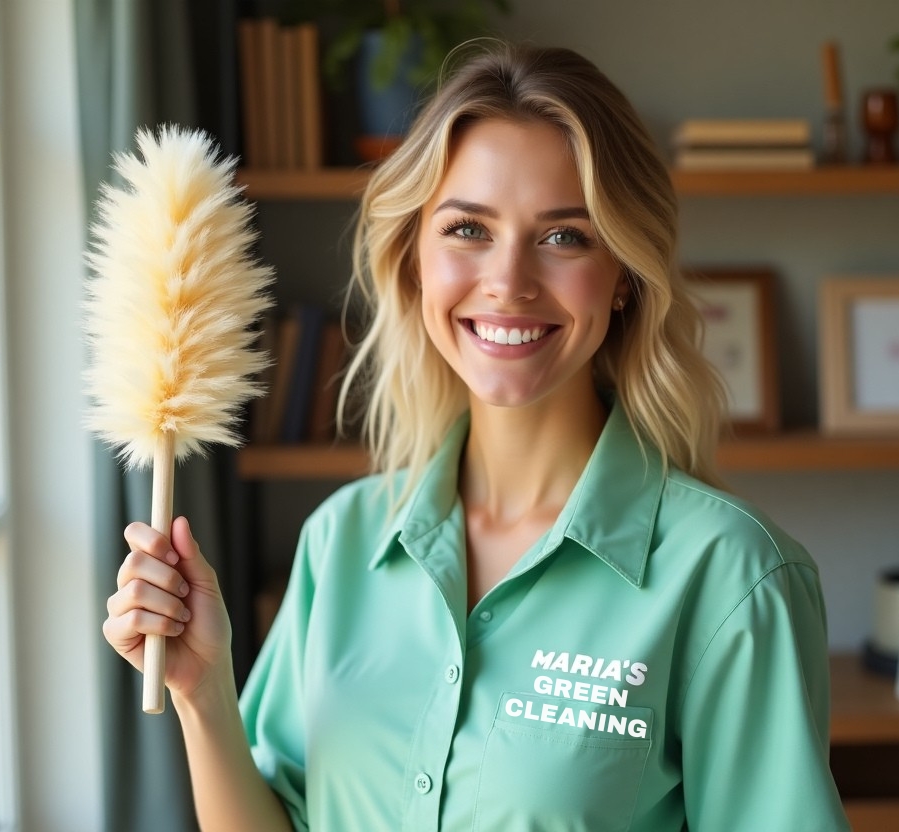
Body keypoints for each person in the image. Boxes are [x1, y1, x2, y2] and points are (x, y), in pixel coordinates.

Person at [103, 41, 851, 831]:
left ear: (625, 274)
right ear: (415, 258)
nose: (508, 281)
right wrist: (203, 692)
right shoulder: (342, 542)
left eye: (565, 236)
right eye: (467, 229)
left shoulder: (731, 578)